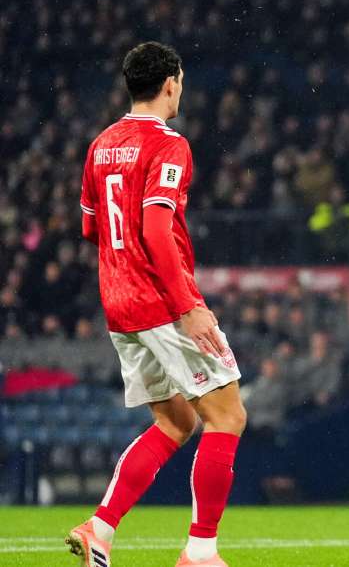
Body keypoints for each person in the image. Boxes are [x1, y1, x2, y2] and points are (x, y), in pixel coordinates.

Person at [70, 42, 245, 567]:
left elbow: (91, 227)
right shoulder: (170, 145)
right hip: (163, 303)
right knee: (226, 416)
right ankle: (200, 552)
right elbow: (155, 228)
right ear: (171, 82)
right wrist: (188, 305)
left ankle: (99, 529)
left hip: (119, 304)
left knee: (175, 422)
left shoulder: (101, 144)